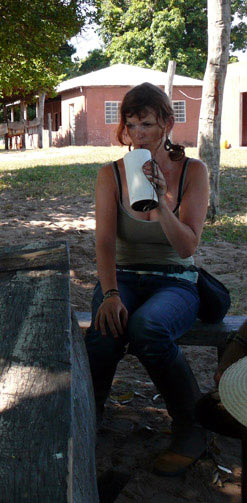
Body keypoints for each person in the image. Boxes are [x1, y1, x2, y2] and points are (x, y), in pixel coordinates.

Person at [85, 82, 210, 477]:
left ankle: (192, 427)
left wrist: (160, 205)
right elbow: (104, 242)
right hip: (123, 277)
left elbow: (188, 247)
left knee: (149, 327)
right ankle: (90, 415)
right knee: (105, 332)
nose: (139, 134)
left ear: (167, 125)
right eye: (132, 124)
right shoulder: (112, 174)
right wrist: (109, 293)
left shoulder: (194, 171)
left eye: (148, 124)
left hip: (176, 280)